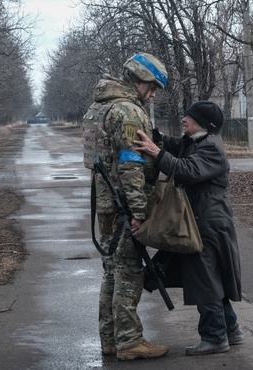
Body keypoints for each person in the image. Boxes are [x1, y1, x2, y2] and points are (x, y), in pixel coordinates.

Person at [133, 101, 244, 356]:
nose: (184, 119)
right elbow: (175, 144)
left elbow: (188, 170)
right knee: (209, 277)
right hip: (198, 218)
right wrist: (157, 138)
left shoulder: (212, 148)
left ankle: (215, 337)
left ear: (203, 124)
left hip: (208, 222)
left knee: (204, 279)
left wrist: (156, 153)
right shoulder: (195, 141)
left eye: (190, 117)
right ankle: (231, 329)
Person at [83, 52, 169, 361]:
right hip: (124, 205)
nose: (154, 93)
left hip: (106, 202)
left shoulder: (99, 107)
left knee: (111, 272)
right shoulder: (128, 112)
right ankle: (130, 340)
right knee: (129, 272)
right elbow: (131, 165)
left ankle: (111, 340)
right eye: (152, 86)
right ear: (139, 81)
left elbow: (94, 160)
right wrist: (138, 212)